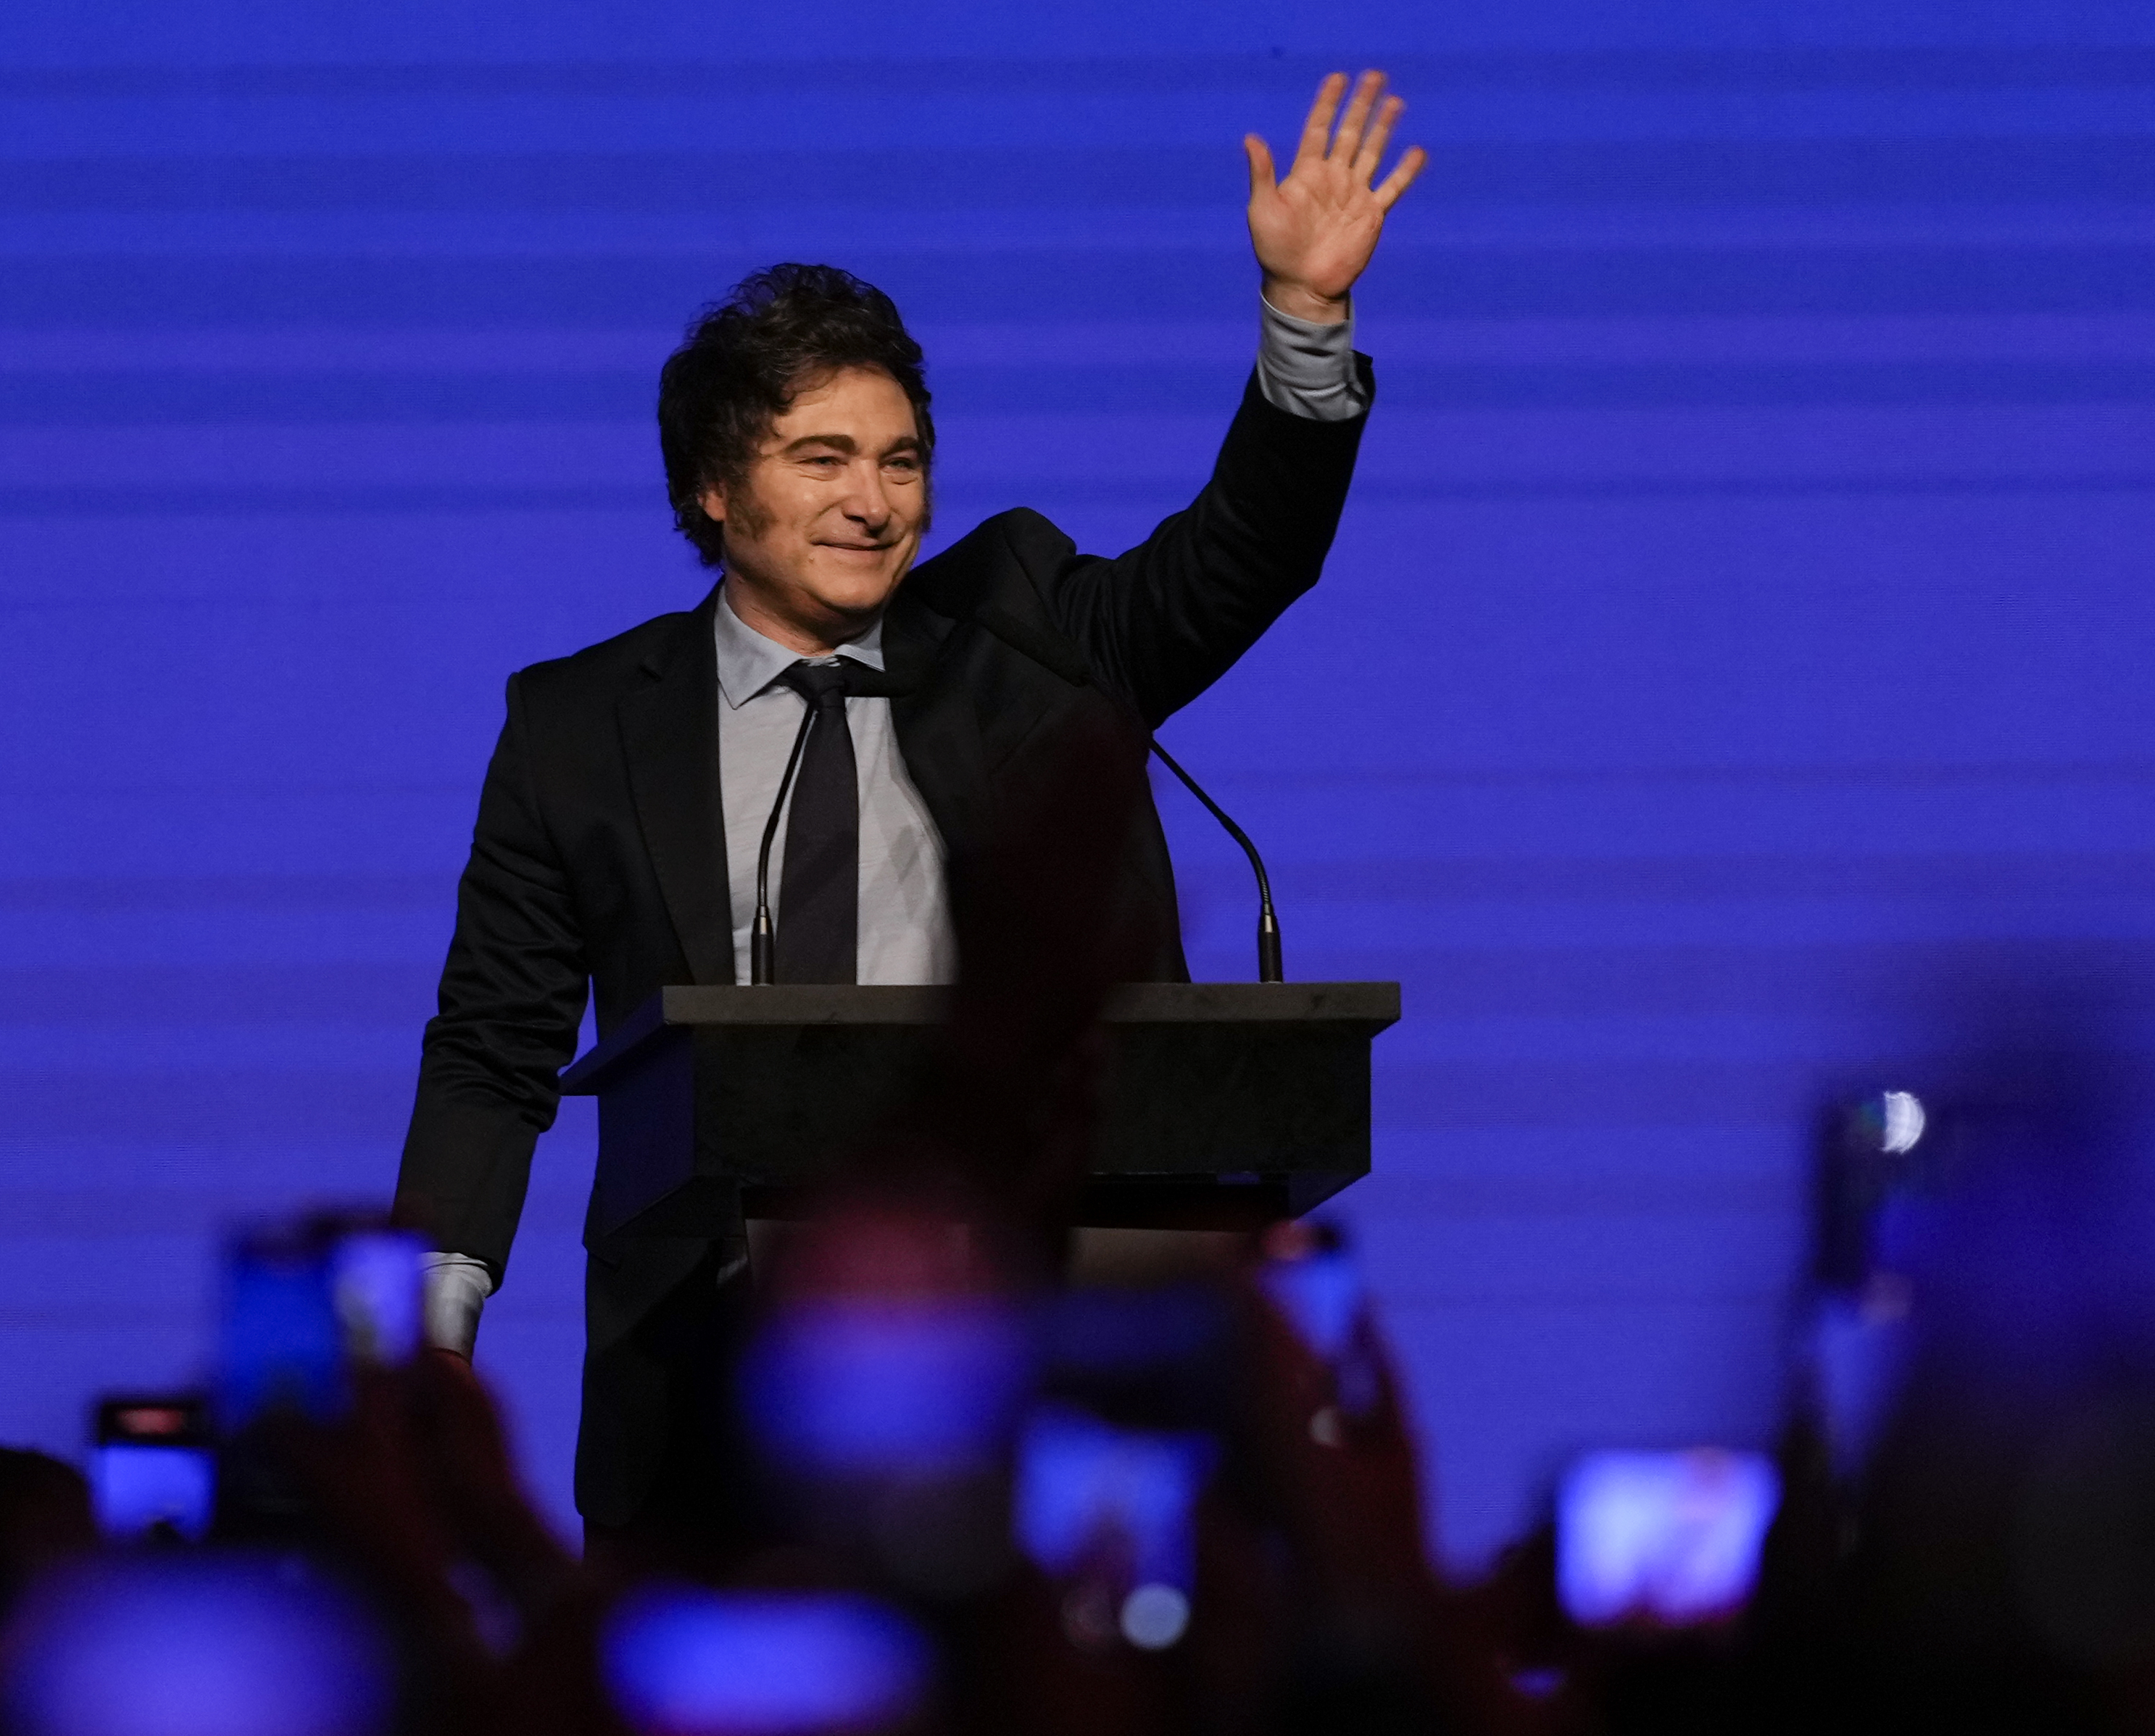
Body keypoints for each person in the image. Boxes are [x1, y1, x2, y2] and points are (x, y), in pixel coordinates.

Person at [391, 71, 1426, 1558]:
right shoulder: (576, 728)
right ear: (711, 491)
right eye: (823, 460)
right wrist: (428, 1328)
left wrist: (1304, 323)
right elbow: (495, 1045)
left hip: (1040, 1337)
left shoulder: (1022, 631)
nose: (875, 502)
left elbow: (1236, 562)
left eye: (899, 460)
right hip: (710, 1367)